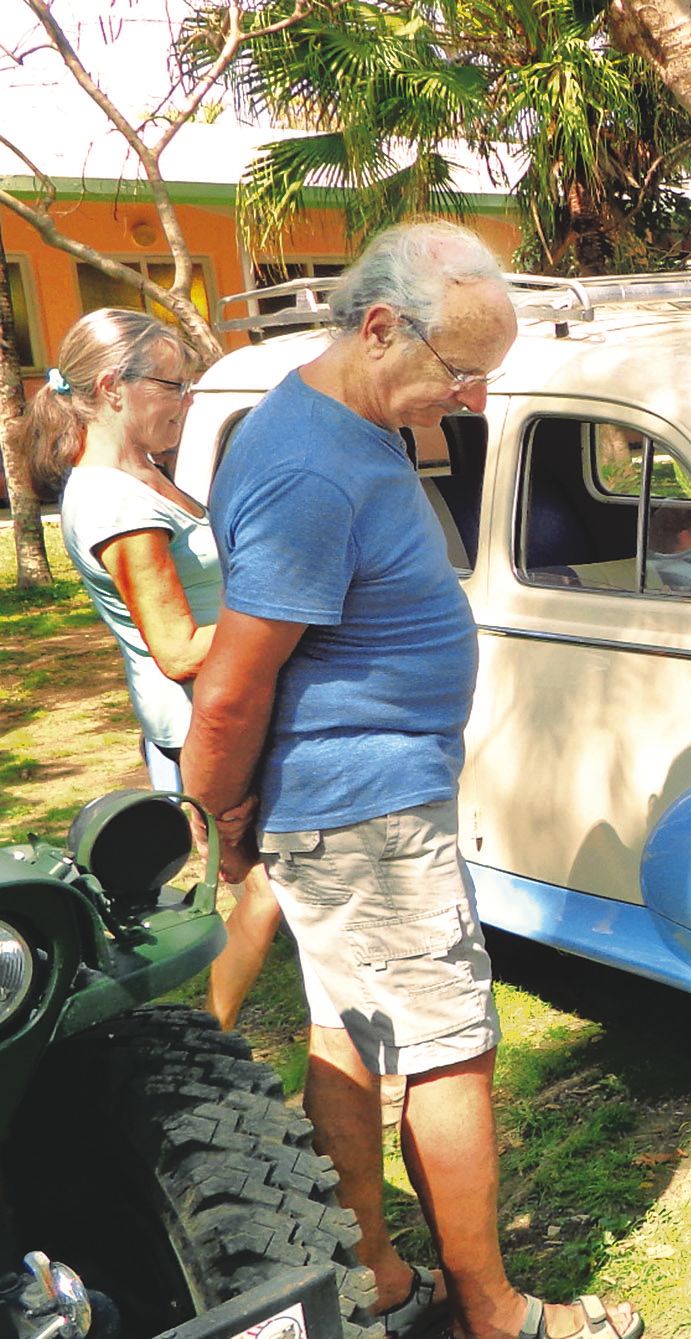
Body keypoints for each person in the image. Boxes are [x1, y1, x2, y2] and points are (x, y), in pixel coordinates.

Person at [180, 220, 642, 1339]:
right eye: (461, 371)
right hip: (365, 811)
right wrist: (213, 817)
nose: (473, 399)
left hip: (354, 802)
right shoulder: (308, 464)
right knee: (448, 1049)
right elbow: (234, 687)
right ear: (381, 328)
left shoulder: (350, 420)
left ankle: (378, 1275)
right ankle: (491, 1308)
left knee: (354, 1030)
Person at [26, 307, 280, 1031]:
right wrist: (290, 607)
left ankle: (214, 1036)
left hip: (219, 709)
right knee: (268, 889)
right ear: (113, 387)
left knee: (262, 887)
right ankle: (213, 1036)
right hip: (203, 719)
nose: (187, 400)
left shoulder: (143, 475)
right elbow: (175, 647)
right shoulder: (112, 499)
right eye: (172, 383)